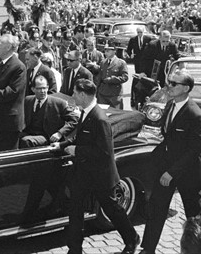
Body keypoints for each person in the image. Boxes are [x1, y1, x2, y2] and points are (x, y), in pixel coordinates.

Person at [55, 79, 139, 254]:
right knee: (75, 208)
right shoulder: (86, 112)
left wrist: (77, 150)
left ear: (84, 95)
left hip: (101, 175)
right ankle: (75, 248)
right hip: (83, 173)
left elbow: (104, 152)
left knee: (113, 210)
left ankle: (131, 239)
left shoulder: (99, 118)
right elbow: (80, 137)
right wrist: (62, 145)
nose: (73, 96)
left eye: (76, 93)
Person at [140, 70, 201, 254]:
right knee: (156, 208)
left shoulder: (195, 114)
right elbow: (167, 137)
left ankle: (200, 250)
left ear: (186, 88)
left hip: (189, 174)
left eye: (174, 83)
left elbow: (195, 151)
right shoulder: (170, 105)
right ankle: (147, 248)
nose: (169, 86)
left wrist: (172, 173)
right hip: (167, 168)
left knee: (194, 218)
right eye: (169, 82)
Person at [19, 75, 78, 148]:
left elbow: (75, 119)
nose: (43, 91)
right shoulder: (28, 100)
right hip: (28, 133)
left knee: (26, 141)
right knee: (9, 135)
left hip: (47, 136)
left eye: (44, 88)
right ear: (33, 89)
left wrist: (60, 133)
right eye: (39, 88)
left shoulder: (58, 103)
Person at [127, 27, 152, 108]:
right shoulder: (133, 39)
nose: (139, 34)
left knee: (145, 77)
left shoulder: (148, 39)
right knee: (137, 77)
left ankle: (144, 98)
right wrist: (131, 54)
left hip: (146, 61)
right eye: (138, 32)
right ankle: (134, 98)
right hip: (137, 61)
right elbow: (128, 49)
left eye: (141, 32)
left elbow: (151, 49)